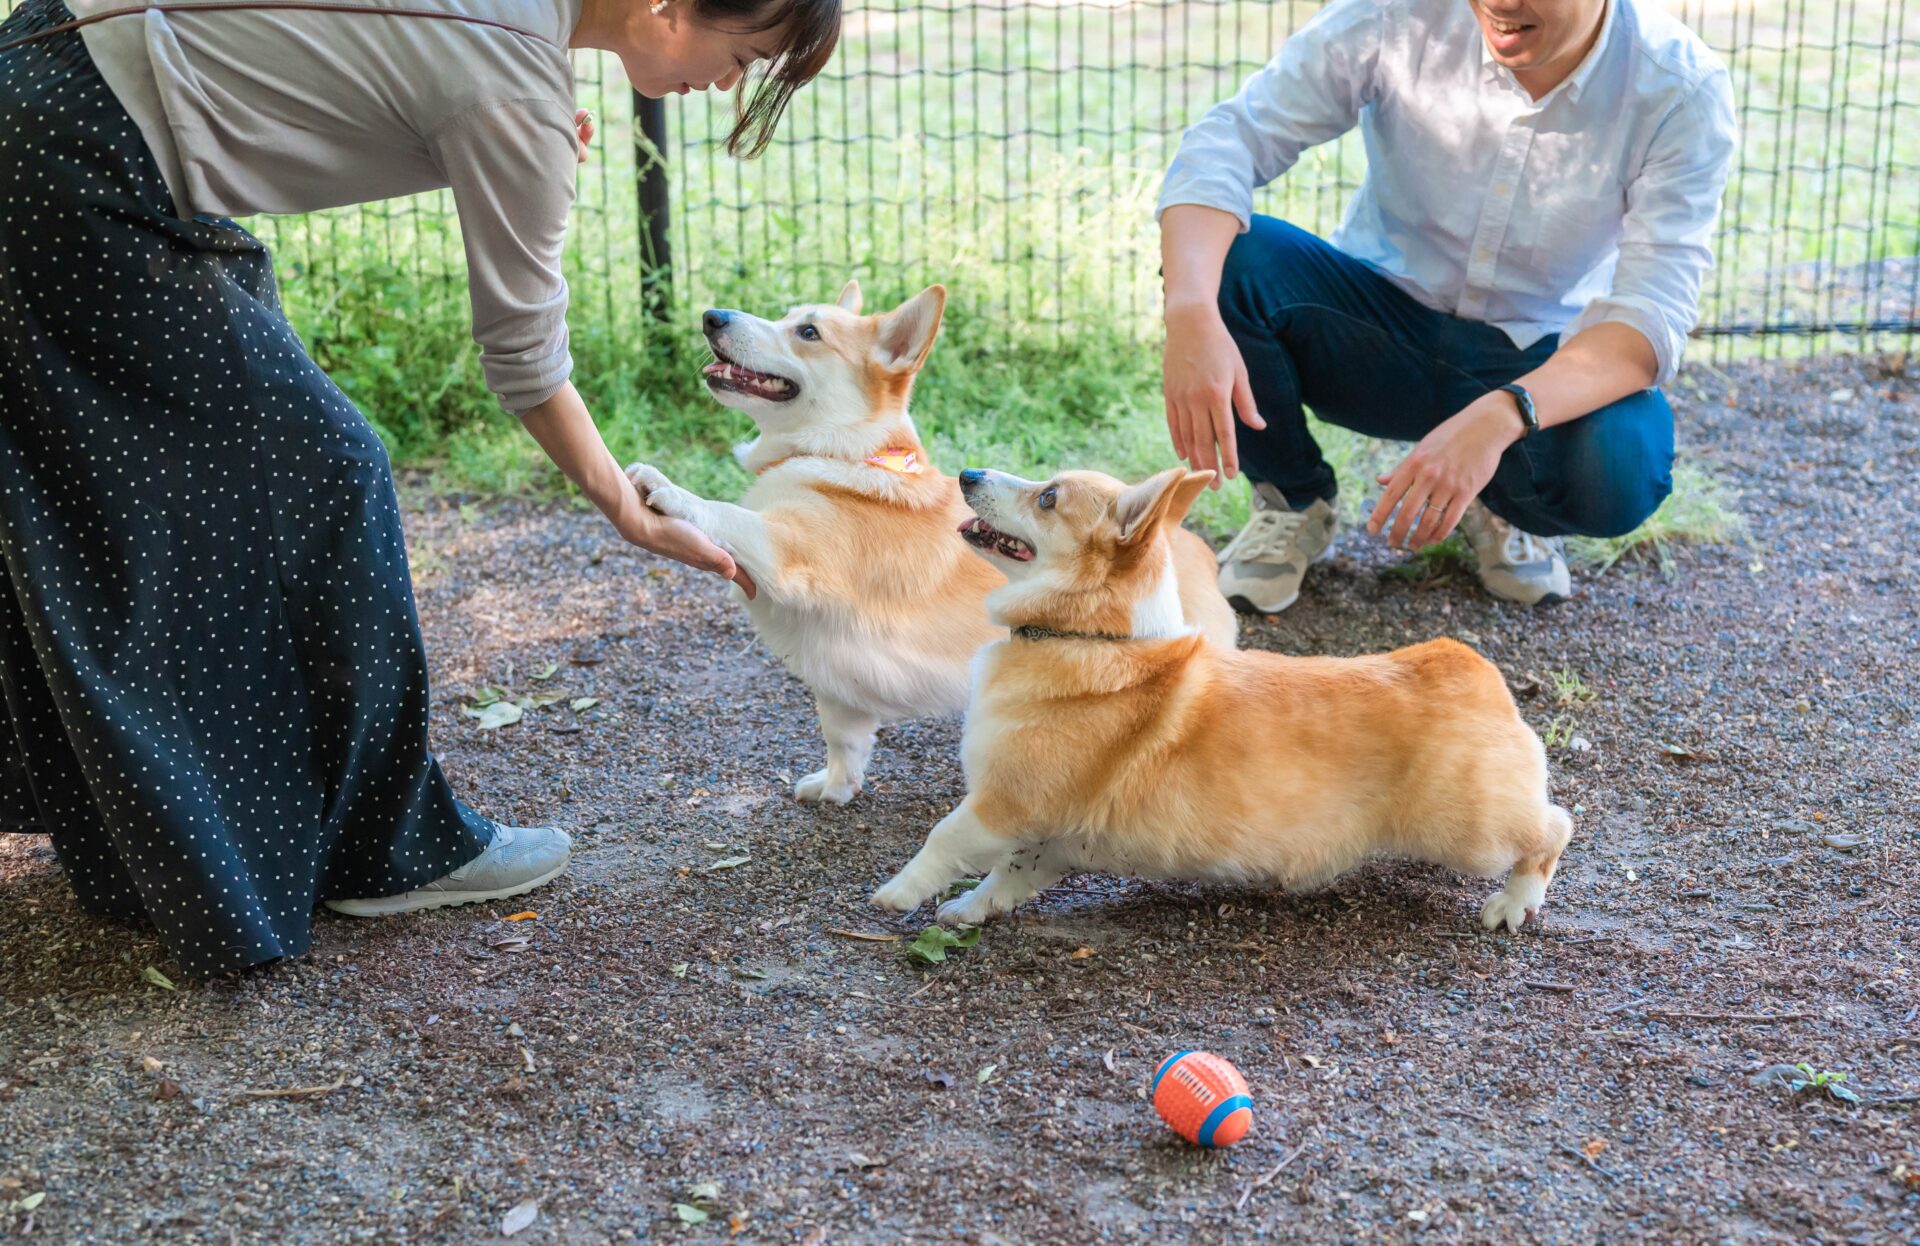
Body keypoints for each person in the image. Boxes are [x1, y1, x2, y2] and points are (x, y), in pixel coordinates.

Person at [0, 0, 837, 974]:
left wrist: (488, 139)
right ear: (669, 8)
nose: (729, 85)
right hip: (80, 150)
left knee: (147, 478)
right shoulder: (521, 80)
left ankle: (149, 824)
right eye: (743, 56)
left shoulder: (522, 49)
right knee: (325, 475)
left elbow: (360, 67)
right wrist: (624, 505)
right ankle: (382, 849)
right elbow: (525, 360)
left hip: (44, 74)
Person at [1158, 0, 1736, 611]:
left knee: (1621, 462)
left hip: (1538, 359)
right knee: (1234, 265)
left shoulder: (1679, 86)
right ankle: (1293, 499)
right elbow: (1232, 138)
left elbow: (1651, 313)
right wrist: (1190, 310)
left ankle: (1505, 501)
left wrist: (1504, 415)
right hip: (1372, 332)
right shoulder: (1394, 13)